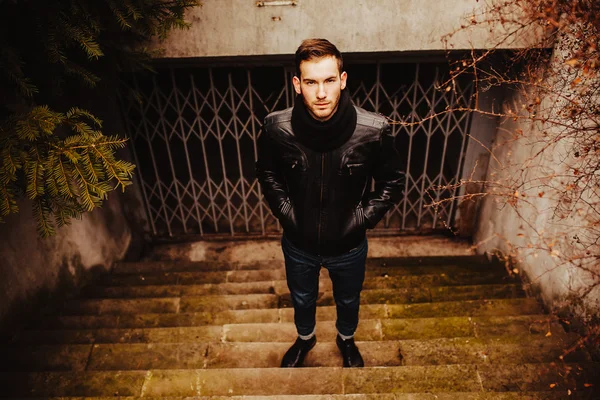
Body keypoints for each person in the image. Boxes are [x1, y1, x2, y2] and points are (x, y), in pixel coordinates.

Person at [255, 38, 405, 368]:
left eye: (329, 81)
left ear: (343, 79)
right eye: (311, 82)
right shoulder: (275, 128)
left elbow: (392, 183)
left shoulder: (374, 130)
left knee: (349, 298)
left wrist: (361, 220)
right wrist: (287, 214)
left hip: (349, 246)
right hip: (298, 244)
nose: (321, 93)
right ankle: (305, 339)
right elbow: (268, 175)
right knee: (303, 297)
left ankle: (346, 340)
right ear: (297, 84)